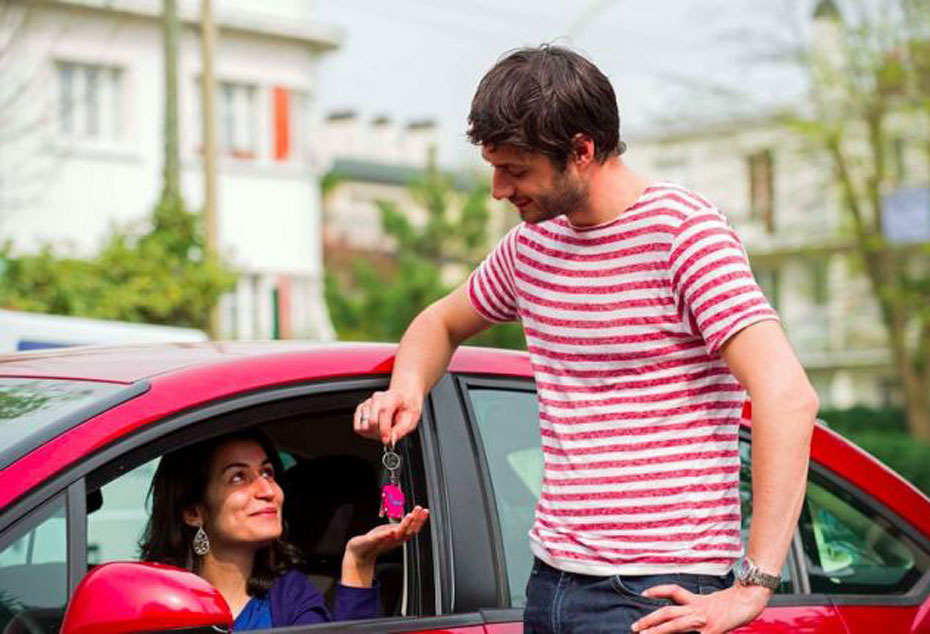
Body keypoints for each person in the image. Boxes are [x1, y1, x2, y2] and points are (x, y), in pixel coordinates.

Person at [353, 45, 818, 634]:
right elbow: (438, 322)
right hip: (551, 582)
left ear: (581, 150)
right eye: (493, 167)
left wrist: (753, 585)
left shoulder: (684, 235)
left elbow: (787, 396)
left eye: (516, 170)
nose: (499, 189)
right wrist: (408, 389)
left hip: (659, 592)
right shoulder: (531, 249)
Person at [140, 429, 429, 631]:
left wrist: (358, 562)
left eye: (268, 473)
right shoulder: (151, 601)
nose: (267, 490)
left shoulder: (289, 595)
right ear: (193, 512)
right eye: (238, 477)